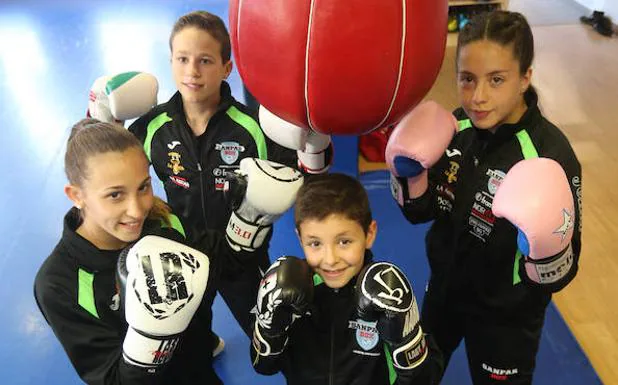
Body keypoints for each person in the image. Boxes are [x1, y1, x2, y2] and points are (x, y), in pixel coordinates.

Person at [86, 9, 325, 351]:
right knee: (188, 330)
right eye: (182, 59)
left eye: (205, 61)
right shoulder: (154, 126)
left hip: (241, 254)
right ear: (171, 62)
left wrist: (313, 153)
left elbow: (302, 181)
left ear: (227, 68)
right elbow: (110, 168)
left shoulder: (253, 126)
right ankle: (205, 340)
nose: (192, 71)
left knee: (267, 334)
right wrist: (105, 122)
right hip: (179, 249)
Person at [386, 11, 582, 385]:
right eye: (468, 79)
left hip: (505, 316)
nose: (478, 97)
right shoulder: (453, 128)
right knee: (415, 378)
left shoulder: (549, 156)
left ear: (525, 77)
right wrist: (409, 177)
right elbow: (421, 213)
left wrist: (545, 249)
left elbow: (563, 270)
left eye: (496, 80)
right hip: (443, 291)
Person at [34, 119, 301, 385]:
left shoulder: (162, 221)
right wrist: (151, 341)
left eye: (143, 187)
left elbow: (224, 264)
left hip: (199, 368)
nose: (137, 210)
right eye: (115, 195)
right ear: (76, 196)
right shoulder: (59, 285)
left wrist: (249, 218)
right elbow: (111, 379)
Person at [249, 173, 443, 385]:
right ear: (299, 238)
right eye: (315, 243)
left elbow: (425, 379)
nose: (330, 260)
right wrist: (268, 327)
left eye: (344, 241)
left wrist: (407, 338)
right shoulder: (288, 291)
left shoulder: (386, 294)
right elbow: (263, 366)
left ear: (369, 234)